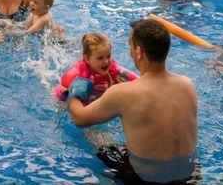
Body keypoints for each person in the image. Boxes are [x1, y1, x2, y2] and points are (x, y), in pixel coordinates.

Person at [68, 19, 198, 185]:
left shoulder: (123, 93)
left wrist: (74, 93)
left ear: (139, 52)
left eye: (130, 46)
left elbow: (79, 119)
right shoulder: (187, 84)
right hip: (191, 176)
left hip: (147, 180)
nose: (130, 51)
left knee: (93, 135)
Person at [55, 32, 137, 102]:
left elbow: (136, 80)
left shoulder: (112, 67)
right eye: (100, 58)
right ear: (87, 59)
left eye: (108, 56)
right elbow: (61, 94)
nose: (106, 61)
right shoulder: (78, 75)